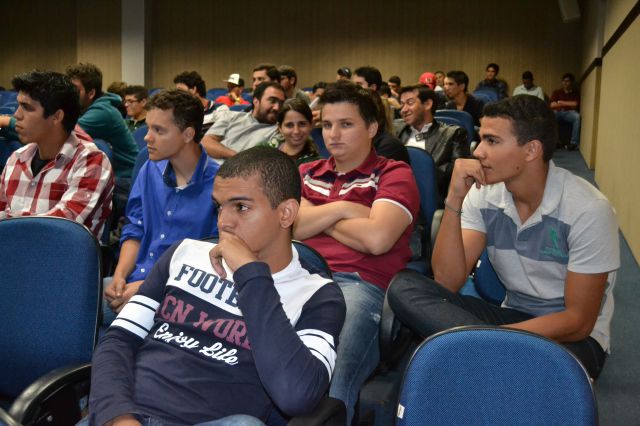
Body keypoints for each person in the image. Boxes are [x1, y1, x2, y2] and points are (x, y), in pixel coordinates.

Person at [88, 146, 346, 425]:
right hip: (128, 415)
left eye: (241, 207)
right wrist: (118, 416)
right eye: (219, 207)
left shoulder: (317, 294)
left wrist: (251, 274)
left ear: (285, 213)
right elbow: (118, 341)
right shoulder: (183, 253)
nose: (224, 222)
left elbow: (297, 395)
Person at [388, 95, 619, 381]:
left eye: (492, 141)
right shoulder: (484, 194)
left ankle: (473, 352)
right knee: (405, 287)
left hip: (572, 337)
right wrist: (454, 198)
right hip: (513, 316)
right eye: (481, 139)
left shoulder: (588, 210)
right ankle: (483, 353)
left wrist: (494, 338)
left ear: (531, 150)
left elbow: (578, 321)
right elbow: (448, 281)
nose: (478, 151)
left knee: (519, 376)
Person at [294, 81, 419, 424]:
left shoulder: (395, 173)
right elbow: (289, 229)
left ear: (372, 128)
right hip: (296, 276)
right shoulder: (306, 172)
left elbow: (377, 239)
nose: (333, 134)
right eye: (327, 125)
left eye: (346, 124)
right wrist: (347, 209)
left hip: (357, 285)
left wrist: (317, 216)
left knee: (333, 377)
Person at [102, 90, 220, 324]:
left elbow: (211, 261)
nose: (147, 137)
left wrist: (147, 288)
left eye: (159, 130)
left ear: (187, 134)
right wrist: (119, 275)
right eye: (148, 128)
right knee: (76, 302)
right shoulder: (149, 169)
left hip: (183, 294)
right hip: (136, 279)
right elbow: (135, 228)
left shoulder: (220, 185)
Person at [0, 70, 114, 238]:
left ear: (57, 116)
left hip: (60, 254)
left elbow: (56, 231)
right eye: (18, 105)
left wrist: (7, 222)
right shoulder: (16, 158)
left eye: (27, 107)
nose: (16, 115)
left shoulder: (91, 161)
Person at [66, 63, 138, 203]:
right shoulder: (86, 108)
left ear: (91, 93)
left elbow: (60, 133)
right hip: (112, 174)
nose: (70, 95)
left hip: (125, 180)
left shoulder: (102, 112)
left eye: (75, 90)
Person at [396, 84, 469, 198]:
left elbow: (458, 172)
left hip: (429, 196)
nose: (403, 110)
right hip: (394, 193)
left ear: (427, 104)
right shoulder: (396, 130)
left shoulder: (453, 134)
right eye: (402, 104)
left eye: (410, 103)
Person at [200, 82, 285, 162]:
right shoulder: (231, 116)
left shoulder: (279, 132)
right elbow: (205, 142)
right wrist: (235, 156)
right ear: (256, 101)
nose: (277, 107)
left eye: (281, 103)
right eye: (272, 101)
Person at [263, 98, 320, 166]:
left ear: (311, 125)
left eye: (302, 124)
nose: (296, 131)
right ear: (280, 128)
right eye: (289, 125)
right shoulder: (265, 149)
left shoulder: (316, 164)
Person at [174, 70, 219, 136]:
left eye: (180, 90)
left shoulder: (219, 109)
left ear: (193, 89)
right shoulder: (181, 113)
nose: (177, 95)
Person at [550, 72, 581, 150]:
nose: (565, 83)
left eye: (567, 81)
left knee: (577, 116)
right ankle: (554, 142)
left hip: (569, 113)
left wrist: (560, 102)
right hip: (557, 112)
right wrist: (567, 104)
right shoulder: (557, 92)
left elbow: (575, 104)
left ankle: (573, 143)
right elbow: (552, 105)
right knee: (550, 115)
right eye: (563, 81)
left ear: (571, 82)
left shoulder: (575, 93)